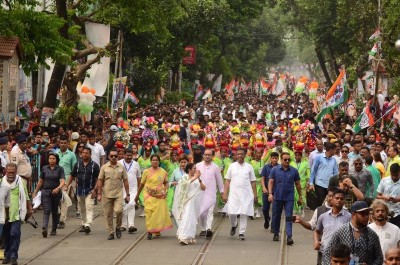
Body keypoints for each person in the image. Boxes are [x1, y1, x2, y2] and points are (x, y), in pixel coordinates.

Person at [322, 201, 383, 265]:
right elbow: (327, 253)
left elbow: (379, 258)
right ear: (353, 214)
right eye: (362, 214)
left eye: (367, 214)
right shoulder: (341, 231)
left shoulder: (372, 235)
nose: (366, 217)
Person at [223, 147, 257, 240]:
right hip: (234, 193)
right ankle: (234, 225)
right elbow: (227, 181)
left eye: (241, 154)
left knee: (243, 212)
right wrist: (225, 193)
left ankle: (241, 233)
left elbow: (253, 181)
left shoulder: (249, 167)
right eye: (238, 154)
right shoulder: (231, 166)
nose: (240, 156)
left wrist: (255, 195)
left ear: (245, 155)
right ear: (236, 155)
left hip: (246, 194)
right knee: (231, 213)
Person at [135, 154, 172, 240]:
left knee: (157, 214)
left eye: (156, 160)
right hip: (149, 195)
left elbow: (166, 182)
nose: (155, 162)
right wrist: (137, 195)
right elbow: (142, 184)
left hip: (159, 196)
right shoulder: (146, 172)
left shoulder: (163, 171)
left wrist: (165, 190)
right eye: (153, 160)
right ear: (151, 162)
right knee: (149, 213)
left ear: (159, 161)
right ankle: (149, 231)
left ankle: (155, 229)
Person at [268, 152, 302, 245]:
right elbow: (271, 182)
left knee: (289, 217)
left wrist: (300, 197)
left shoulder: (294, 171)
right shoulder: (275, 170)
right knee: (276, 216)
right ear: (281, 160)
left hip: (289, 198)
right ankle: (276, 233)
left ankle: (289, 236)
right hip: (277, 197)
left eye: (288, 159)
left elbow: (298, 184)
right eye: (285, 159)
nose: (287, 161)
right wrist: (270, 194)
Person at [2, 163, 33, 265]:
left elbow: (26, 197)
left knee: (14, 234)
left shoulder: (20, 182)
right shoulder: (1, 182)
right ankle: (7, 255)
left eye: (13, 172)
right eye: (9, 172)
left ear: (16, 172)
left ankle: (14, 256)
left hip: (17, 214)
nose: (11, 174)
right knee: (5, 236)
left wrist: (30, 209)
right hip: (4, 215)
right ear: (5, 172)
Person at [97, 149, 130, 240]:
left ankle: (118, 227)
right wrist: (99, 194)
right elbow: (100, 180)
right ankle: (111, 232)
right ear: (108, 157)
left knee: (119, 211)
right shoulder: (104, 167)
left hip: (118, 193)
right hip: (106, 194)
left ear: (118, 156)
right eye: (112, 156)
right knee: (108, 214)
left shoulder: (121, 167)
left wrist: (128, 194)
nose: (114, 157)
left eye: (115, 156)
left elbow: (126, 181)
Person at [66, 147, 100, 234]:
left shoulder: (94, 166)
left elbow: (98, 179)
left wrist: (96, 190)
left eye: (87, 153)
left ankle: (88, 224)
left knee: (89, 207)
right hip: (80, 190)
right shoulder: (77, 165)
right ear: (81, 154)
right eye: (83, 153)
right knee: (82, 208)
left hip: (90, 190)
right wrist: (67, 185)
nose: (84, 154)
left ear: (90, 154)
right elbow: (72, 176)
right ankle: (84, 224)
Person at [314, 189, 351, 264]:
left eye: (341, 199)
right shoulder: (323, 216)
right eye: (337, 198)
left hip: (341, 256)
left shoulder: (349, 217)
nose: (339, 200)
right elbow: (317, 231)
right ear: (332, 199)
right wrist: (316, 241)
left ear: (344, 201)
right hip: (324, 252)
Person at [32, 153, 65, 238]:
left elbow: (62, 181)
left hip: (56, 193)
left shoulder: (60, 169)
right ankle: (45, 227)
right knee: (47, 209)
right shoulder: (44, 168)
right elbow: (40, 181)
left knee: (54, 211)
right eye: (50, 158)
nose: (51, 160)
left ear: (56, 160)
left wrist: (58, 188)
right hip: (46, 192)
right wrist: (35, 192)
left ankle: (54, 229)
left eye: (53, 158)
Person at [172, 163, 205, 245]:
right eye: (194, 168)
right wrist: (195, 177)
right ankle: (183, 237)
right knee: (187, 217)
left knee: (193, 219)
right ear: (189, 170)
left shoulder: (197, 178)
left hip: (195, 202)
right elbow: (183, 185)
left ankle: (190, 236)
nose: (196, 170)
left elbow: (204, 188)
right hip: (187, 201)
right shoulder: (184, 177)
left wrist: (199, 179)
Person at [196, 149, 224, 238]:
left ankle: (208, 229)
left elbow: (219, 180)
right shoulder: (198, 165)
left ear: (212, 156)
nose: (207, 156)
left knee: (210, 212)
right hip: (200, 193)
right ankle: (203, 228)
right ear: (203, 155)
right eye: (205, 154)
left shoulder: (215, 167)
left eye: (209, 155)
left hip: (211, 193)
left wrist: (222, 192)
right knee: (202, 212)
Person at [56, 135, 77, 229]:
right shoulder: (56, 153)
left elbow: (74, 168)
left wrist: (73, 181)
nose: (63, 145)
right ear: (59, 143)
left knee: (64, 200)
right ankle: (58, 215)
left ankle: (62, 220)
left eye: (65, 143)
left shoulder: (71, 155)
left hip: (67, 180)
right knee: (57, 201)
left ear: (68, 144)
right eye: (61, 143)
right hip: (56, 180)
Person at [118, 148, 141, 233]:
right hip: (121, 188)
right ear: (123, 155)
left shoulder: (136, 164)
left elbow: (139, 178)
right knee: (123, 206)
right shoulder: (119, 163)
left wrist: (139, 189)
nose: (128, 157)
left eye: (130, 155)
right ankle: (123, 225)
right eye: (127, 155)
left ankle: (131, 225)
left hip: (133, 189)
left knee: (131, 205)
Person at [260, 151, 279, 230]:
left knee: (275, 210)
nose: (274, 160)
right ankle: (267, 219)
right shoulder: (266, 167)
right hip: (266, 191)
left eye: (276, 158)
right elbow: (262, 178)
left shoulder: (279, 167)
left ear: (278, 159)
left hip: (276, 191)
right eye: (273, 158)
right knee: (265, 209)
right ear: (270, 159)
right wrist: (264, 187)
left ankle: (273, 226)